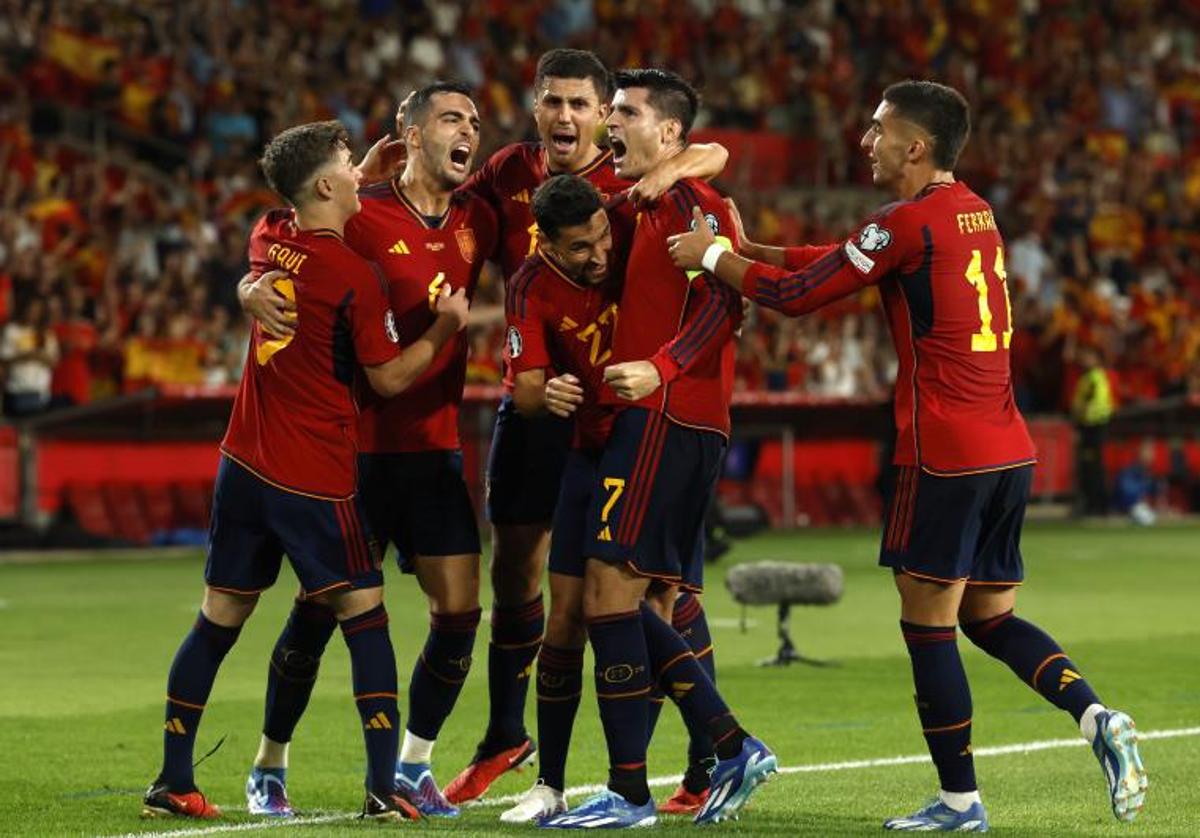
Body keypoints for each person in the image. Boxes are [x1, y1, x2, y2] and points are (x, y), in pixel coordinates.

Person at [668, 79, 1147, 831]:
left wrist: (715, 257)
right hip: (1008, 450)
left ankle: (960, 802)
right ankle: (1095, 716)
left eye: (877, 128)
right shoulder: (973, 212)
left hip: (944, 453)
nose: (866, 141)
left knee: (928, 628)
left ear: (915, 146)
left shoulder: (906, 221)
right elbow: (832, 259)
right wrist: (744, 247)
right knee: (989, 618)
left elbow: (797, 293)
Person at [142, 120, 469, 823]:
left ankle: (173, 780)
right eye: (349, 165)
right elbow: (387, 380)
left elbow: (268, 246)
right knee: (367, 616)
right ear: (326, 184)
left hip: (242, 464)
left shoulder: (270, 235)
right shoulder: (353, 274)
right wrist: (445, 327)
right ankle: (385, 788)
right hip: (312, 474)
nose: (358, 173)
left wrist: (246, 286)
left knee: (217, 621)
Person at [443, 48, 730, 806]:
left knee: (651, 591)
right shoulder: (509, 177)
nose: (566, 116)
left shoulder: (634, 182)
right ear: (537, 108)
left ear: (607, 115)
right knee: (528, 580)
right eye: (553, 102)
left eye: (583, 104)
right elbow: (440, 198)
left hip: (640, 416)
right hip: (553, 415)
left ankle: (704, 759)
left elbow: (706, 151)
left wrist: (671, 169)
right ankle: (521, 745)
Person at [237, 83, 498, 818]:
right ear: (410, 134)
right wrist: (248, 282)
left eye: (475, 122)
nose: (468, 130)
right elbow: (278, 230)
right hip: (352, 451)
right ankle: (268, 764)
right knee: (320, 612)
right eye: (452, 118)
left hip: (434, 446)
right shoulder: (362, 209)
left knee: (459, 611)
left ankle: (413, 764)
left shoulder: (480, 216)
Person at [540, 70, 776, 830]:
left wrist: (660, 368)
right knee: (641, 601)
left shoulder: (691, 206)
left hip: (664, 416)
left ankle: (658, 781)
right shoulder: (646, 199)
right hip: (667, 420)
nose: (612, 124)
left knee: (608, 597)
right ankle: (712, 758)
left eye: (626, 113)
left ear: (668, 133)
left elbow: (726, 303)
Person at [1071, 345, 1114, 516]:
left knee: (1093, 468)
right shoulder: (1087, 378)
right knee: (1089, 468)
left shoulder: (1096, 378)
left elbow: (1096, 405)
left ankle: (1098, 505)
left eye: (1088, 356)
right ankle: (1092, 504)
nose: (1084, 359)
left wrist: (1082, 419)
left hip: (1094, 428)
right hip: (1088, 427)